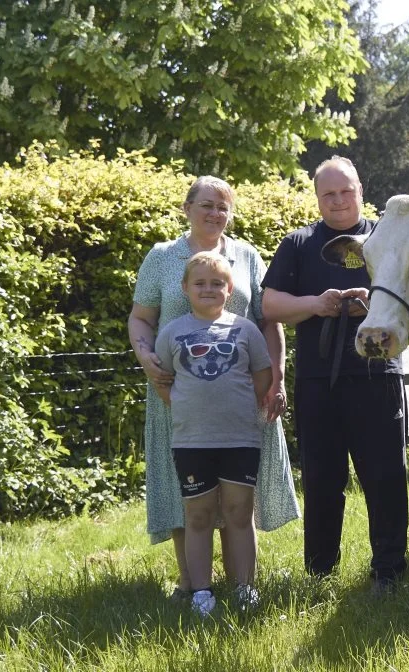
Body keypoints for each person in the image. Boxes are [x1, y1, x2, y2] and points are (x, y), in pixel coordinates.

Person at [127, 176, 299, 602]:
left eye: (223, 207)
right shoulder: (163, 257)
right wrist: (145, 356)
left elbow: (267, 321)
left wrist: (275, 376)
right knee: (186, 492)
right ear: (187, 208)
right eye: (206, 205)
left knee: (240, 497)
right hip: (176, 393)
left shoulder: (246, 256)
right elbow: (140, 318)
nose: (214, 214)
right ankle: (190, 584)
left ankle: (241, 583)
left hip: (243, 397)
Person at [261, 156, 408, 593]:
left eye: (346, 191)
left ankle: (389, 570)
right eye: (329, 193)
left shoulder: (389, 239)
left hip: (377, 374)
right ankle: (320, 573)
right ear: (318, 198)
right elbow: (270, 306)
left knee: (385, 477)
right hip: (317, 380)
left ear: (361, 191)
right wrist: (317, 304)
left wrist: (374, 302)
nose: (339, 200)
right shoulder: (299, 243)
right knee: (323, 480)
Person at [154, 251, 271, 616]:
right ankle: (201, 592)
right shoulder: (172, 332)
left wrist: (234, 409)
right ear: (185, 288)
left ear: (230, 288)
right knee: (199, 517)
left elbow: (263, 377)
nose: (208, 289)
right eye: (200, 283)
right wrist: (190, 408)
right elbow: (163, 382)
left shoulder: (246, 329)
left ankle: (244, 589)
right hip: (191, 441)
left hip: (240, 439)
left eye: (217, 283)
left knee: (239, 513)